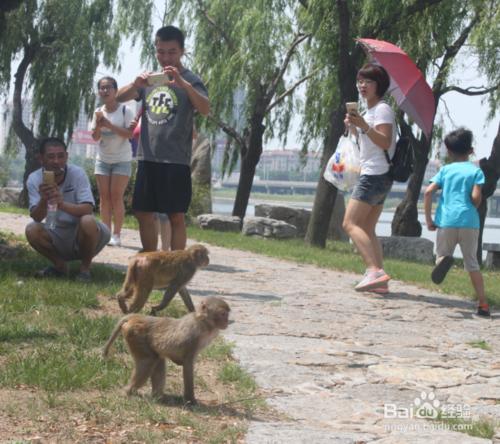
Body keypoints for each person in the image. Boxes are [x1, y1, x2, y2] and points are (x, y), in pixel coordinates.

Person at [116, 25, 209, 252]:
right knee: (142, 212)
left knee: (176, 215)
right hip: (148, 157)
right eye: (161, 51)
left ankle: (176, 267)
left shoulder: (190, 80)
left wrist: (182, 84)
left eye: (172, 52)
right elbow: (119, 98)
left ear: (182, 51)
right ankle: (151, 260)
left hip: (175, 159)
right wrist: (136, 84)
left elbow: (205, 108)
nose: (166, 57)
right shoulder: (151, 79)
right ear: (156, 50)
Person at [342, 63, 397, 293]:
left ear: (379, 85)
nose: (362, 85)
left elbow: (384, 141)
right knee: (367, 226)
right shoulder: (368, 112)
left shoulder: (382, 109)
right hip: (376, 173)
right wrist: (354, 128)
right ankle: (379, 281)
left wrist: (363, 125)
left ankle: (374, 270)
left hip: (375, 174)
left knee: (349, 223)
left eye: (368, 81)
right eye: (360, 81)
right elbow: (368, 145)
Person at [424, 128, 490, 317]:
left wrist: (429, 220)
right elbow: (476, 196)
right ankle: (483, 305)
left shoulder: (445, 170)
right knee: (472, 263)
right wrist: (472, 206)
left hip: (447, 221)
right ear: (471, 151)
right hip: (469, 221)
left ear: (449, 152)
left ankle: (444, 260)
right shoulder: (475, 171)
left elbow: (428, 192)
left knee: (442, 255)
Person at [25, 137, 111, 282]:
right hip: (55, 230)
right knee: (31, 229)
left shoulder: (77, 173)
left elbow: (88, 208)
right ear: (41, 159)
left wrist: (61, 204)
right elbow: (37, 217)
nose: (56, 161)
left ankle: (85, 270)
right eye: (51, 157)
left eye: (60, 156)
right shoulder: (34, 179)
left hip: (82, 232)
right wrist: (44, 200)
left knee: (88, 220)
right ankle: (60, 266)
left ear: (67, 156)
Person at [91, 76, 135, 247]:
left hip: (121, 159)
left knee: (116, 196)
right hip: (102, 159)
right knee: (104, 198)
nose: (105, 91)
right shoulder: (98, 112)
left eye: (108, 87)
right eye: (101, 88)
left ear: (116, 91)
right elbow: (95, 138)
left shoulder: (125, 111)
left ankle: (116, 235)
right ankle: (105, 233)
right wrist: (98, 126)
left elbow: (129, 135)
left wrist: (109, 125)